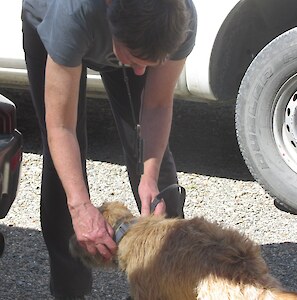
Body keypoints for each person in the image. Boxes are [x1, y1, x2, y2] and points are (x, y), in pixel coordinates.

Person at [21, 0, 197, 298]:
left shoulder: (179, 18)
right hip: (52, 18)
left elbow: (156, 104)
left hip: (126, 35)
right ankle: (70, 290)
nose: (141, 72)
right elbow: (60, 127)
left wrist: (150, 176)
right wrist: (81, 209)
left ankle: (163, 284)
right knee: (64, 171)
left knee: (156, 170)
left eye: (150, 63)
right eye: (136, 59)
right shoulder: (73, 14)